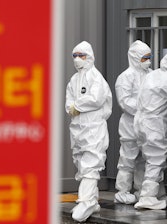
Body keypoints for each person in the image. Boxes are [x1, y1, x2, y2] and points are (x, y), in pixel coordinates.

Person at [65, 41, 112, 222]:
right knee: (80, 162)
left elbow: (97, 99)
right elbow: (68, 102)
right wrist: (72, 107)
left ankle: (85, 201)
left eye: (81, 55)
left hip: (93, 128)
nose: (77, 59)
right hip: (77, 128)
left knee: (91, 165)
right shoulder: (74, 79)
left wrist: (78, 105)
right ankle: (93, 201)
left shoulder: (95, 77)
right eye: (75, 56)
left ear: (90, 56)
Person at [133, 48, 167, 210]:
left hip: (140, 122)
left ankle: (158, 194)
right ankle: (148, 197)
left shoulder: (152, 74)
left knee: (146, 159)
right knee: (156, 160)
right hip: (154, 124)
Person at [114, 40, 152, 204]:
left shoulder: (150, 74)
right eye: (144, 58)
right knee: (127, 159)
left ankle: (141, 191)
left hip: (146, 125)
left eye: (149, 57)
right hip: (130, 125)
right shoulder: (125, 77)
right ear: (135, 58)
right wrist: (144, 109)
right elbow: (124, 101)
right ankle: (122, 191)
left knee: (143, 160)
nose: (148, 61)